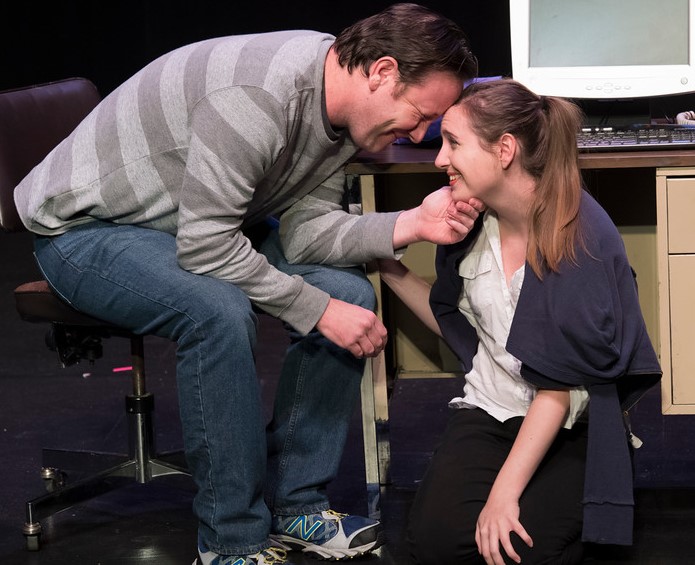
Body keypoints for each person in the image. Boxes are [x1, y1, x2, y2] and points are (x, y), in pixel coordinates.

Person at [13, 4, 479, 565]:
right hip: (85, 231)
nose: (420, 133)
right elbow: (207, 246)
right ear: (381, 72)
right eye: (419, 113)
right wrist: (315, 309)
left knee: (349, 292)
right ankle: (231, 540)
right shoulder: (259, 96)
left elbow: (307, 236)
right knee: (218, 309)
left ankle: (296, 503)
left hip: (185, 223)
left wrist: (415, 224)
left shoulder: (339, 108)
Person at [377, 78, 661, 565]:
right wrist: (385, 260)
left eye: (453, 143)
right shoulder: (470, 226)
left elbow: (559, 386)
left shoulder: (582, 240)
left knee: (517, 548)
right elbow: (464, 325)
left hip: (572, 422)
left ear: (504, 150)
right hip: (493, 408)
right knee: (435, 543)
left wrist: (502, 495)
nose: (440, 159)